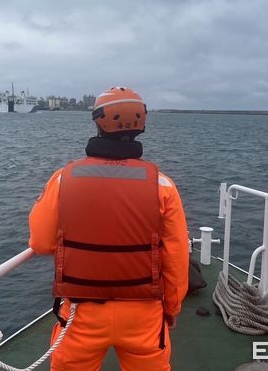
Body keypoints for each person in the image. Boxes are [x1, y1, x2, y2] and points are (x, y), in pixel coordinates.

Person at [28, 86, 189, 370]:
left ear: (98, 123)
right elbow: (176, 257)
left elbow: (40, 243)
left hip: (81, 314)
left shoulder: (63, 179)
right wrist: (172, 307)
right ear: (141, 125)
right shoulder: (162, 185)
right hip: (144, 315)